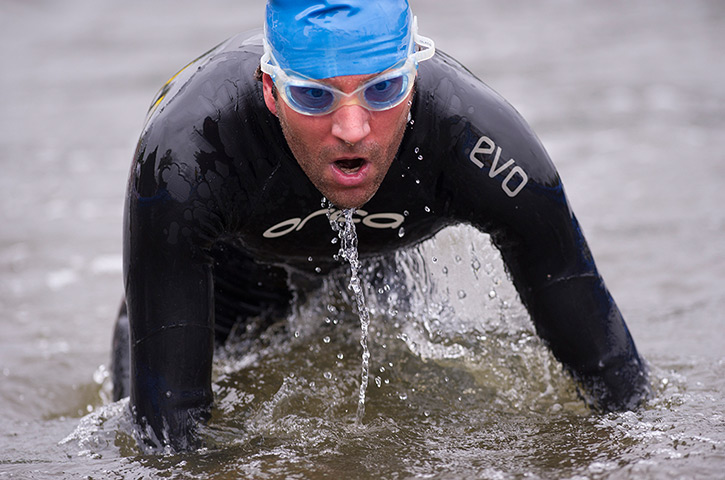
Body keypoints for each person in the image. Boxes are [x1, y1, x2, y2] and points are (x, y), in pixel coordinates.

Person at [112, 0, 650, 451]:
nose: (351, 128)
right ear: (271, 92)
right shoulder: (188, 153)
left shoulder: (473, 139)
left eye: (383, 90)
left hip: (371, 281)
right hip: (220, 291)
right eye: (314, 95)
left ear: (414, 79)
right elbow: (170, 438)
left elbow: (617, 383)